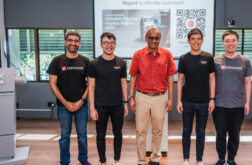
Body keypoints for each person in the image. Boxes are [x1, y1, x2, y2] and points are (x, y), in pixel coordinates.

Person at [129, 28, 177, 165]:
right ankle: (141, 160)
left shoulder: (167, 54)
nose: (154, 41)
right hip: (142, 96)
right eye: (151, 38)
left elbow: (170, 78)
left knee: (158, 130)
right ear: (146, 38)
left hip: (160, 97)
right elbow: (133, 76)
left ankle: (156, 158)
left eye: (156, 38)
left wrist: (171, 99)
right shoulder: (138, 55)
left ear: (159, 39)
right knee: (140, 131)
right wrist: (131, 97)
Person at [48, 31, 91, 165]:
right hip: (63, 106)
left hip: (81, 106)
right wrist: (65, 103)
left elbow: (91, 84)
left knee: (82, 135)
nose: (73, 43)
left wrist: (82, 100)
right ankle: (65, 161)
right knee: (65, 135)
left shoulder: (85, 61)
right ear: (66, 42)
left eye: (76, 40)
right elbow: (52, 84)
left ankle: (83, 159)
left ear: (80, 43)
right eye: (70, 40)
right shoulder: (57, 61)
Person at [87, 32, 128, 165]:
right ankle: (103, 162)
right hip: (100, 106)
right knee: (100, 136)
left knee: (118, 135)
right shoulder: (94, 64)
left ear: (115, 45)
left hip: (117, 106)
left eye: (111, 43)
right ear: (101, 45)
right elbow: (91, 87)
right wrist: (92, 108)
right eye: (105, 43)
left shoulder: (121, 63)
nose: (108, 46)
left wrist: (126, 103)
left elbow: (123, 83)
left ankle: (117, 160)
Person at [176, 28, 216, 165]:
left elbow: (212, 79)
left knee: (201, 132)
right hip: (187, 101)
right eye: (193, 39)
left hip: (204, 102)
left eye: (199, 39)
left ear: (202, 40)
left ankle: (199, 160)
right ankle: (186, 159)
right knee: (186, 131)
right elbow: (180, 80)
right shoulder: (183, 59)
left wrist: (212, 99)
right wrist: (178, 101)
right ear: (188, 41)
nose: (196, 41)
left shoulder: (208, 57)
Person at [213, 30, 252, 165]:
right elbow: (211, 82)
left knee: (235, 135)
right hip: (220, 105)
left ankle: (231, 159)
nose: (230, 43)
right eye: (227, 41)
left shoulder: (245, 61)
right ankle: (221, 158)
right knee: (221, 134)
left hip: (238, 105)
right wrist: (211, 100)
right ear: (223, 43)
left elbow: (247, 82)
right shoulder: (215, 60)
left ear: (237, 42)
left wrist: (247, 102)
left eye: (233, 40)